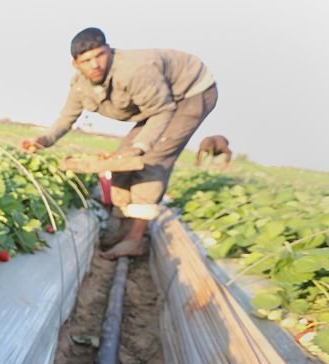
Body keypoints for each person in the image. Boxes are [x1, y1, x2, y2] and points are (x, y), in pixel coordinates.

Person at [20, 28, 218, 259]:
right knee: (122, 159)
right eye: (86, 60)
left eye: (100, 55)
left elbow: (162, 112)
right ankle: (124, 229)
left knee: (151, 160)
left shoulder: (135, 71)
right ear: (76, 64)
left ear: (109, 51)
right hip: (161, 101)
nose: (95, 64)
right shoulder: (80, 85)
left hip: (191, 92)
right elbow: (67, 118)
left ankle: (135, 239)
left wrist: (140, 147)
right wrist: (42, 141)